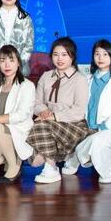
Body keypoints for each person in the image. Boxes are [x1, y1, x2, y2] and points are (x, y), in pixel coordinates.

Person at [26, 37, 91, 183]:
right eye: (55, 54)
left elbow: (79, 111)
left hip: (74, 125)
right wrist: (44, 112)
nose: (59, 59)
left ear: (72, 56)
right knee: (35, 161)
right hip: (47, 123)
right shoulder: (46, 76)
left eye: (64, 54)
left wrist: (54, 116)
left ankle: (51, 168)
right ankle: (62, 156)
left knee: (42, 126)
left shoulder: (80, 79)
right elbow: (36, 102)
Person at [66, 39, 111, 184]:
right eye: (97, 54)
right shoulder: (87, 79)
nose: (100, 58)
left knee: (98, 141)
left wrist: (102, 127)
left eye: (105, 54)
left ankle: (108, 173)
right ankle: (83, 156)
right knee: (83, 141)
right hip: (88, 127)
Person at [0, 45, 37, 183]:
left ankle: (14, 166)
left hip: (18, 130)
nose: (7, 65)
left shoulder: (26, 85)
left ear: (18, 63)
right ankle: (12, 155)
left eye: (11, 60)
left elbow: (21, 115)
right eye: (2, 61)